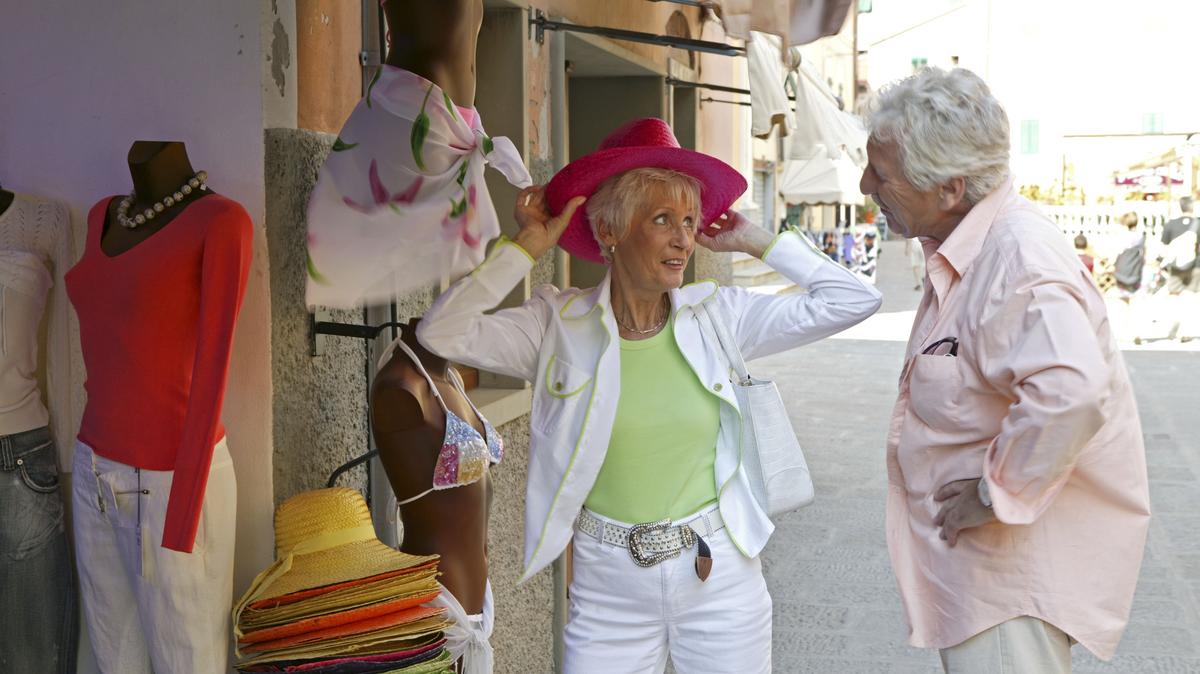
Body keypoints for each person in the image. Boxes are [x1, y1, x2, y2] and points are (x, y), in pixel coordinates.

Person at [418, 117, 881, 672]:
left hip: (720, 576)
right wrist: (523, 247)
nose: (684, 238)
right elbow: (442, 333)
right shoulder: (557, 326)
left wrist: (755, 240)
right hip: (606, 584)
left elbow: (852, 300)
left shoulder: (719, 316)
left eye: (689, 220)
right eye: (663, 220)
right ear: (610, 230)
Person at [859, 68, 1149, 672]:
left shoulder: (1017, 257)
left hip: (1007, 587)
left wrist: (996, 494)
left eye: (881, 175)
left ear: (949, 188)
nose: (867, 186)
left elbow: (1072, 391)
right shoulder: (978, 246)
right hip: (986, 582)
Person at [1160, 195, 1200, 294]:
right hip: (1196, 265)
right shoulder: (1198, 223)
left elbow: (1163, 246)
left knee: (1173, 294)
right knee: (1191, 296)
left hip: (1175, 265)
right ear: (1193, 207)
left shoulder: (1170, 224)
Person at [1113, 211, 1145, 302]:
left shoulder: (1122, 237)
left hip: (1121, 270)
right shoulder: (1141, 237)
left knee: (1122, 297)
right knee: (1133, 296)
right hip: (1135, 270)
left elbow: (1116, 252)